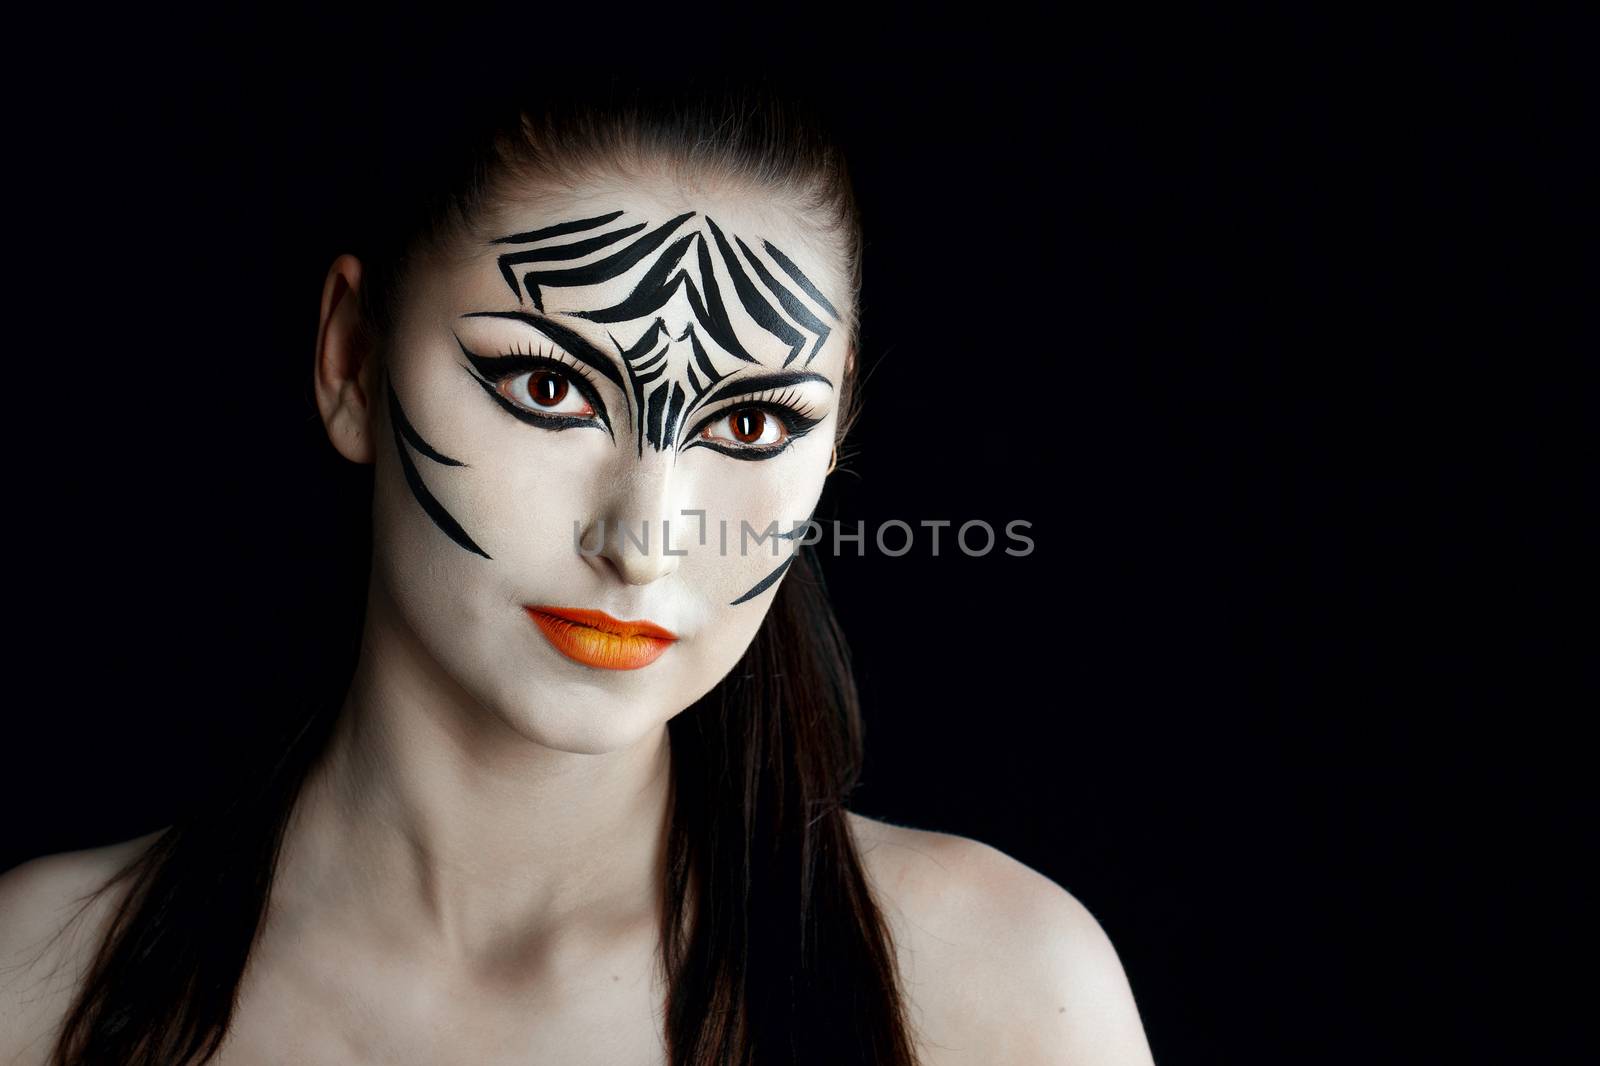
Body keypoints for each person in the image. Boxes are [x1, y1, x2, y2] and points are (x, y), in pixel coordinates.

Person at [0, 77, 1154, 1065]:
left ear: (841, 418)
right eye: (549, 388)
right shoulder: (30, 984)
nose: (644, 541)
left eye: (751, 423)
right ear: (350, 356)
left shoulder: (995, 999)